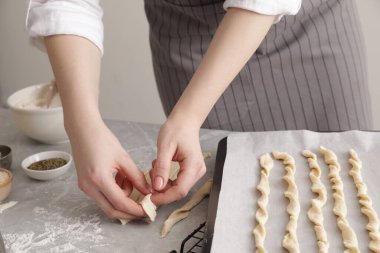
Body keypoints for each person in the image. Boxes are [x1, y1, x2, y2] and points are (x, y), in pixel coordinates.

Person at [26, 0, 372, 221]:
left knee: (346, 197)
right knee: (233, 213)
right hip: (187, 38)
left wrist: (189, 115)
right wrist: (82, 123)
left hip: (306, 35)